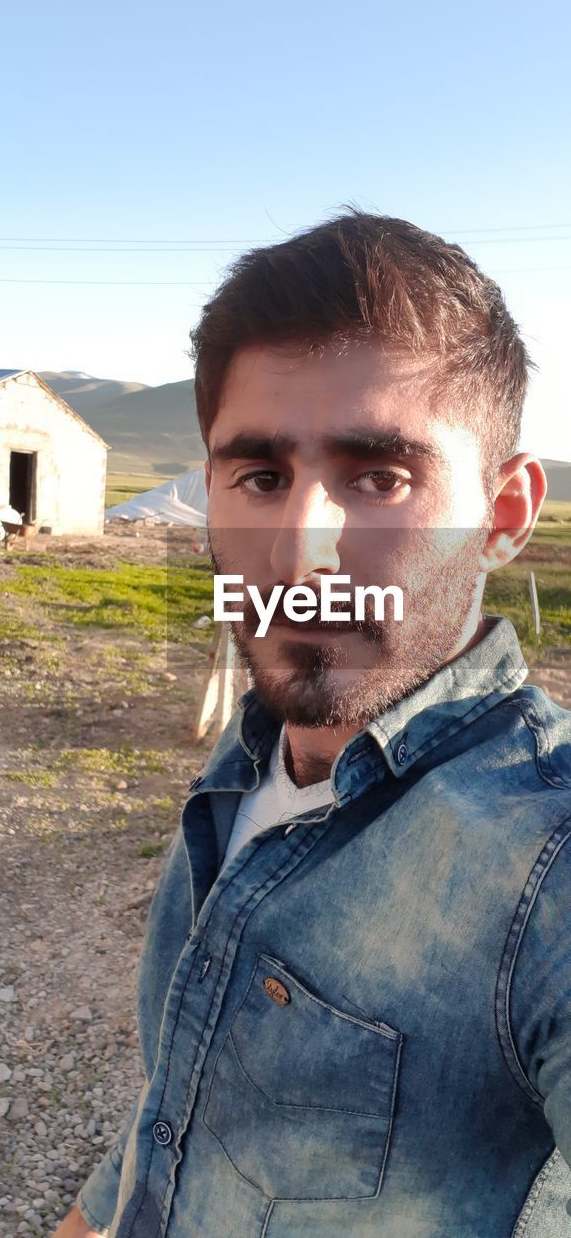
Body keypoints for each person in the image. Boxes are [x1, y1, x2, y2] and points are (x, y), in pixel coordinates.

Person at [52, 211, 571, 1238]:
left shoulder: (541, 861)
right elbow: (188, 1092)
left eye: (380, 476)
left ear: (504, 513)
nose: (298, 556)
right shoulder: (255, 749)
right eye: (258, 476)